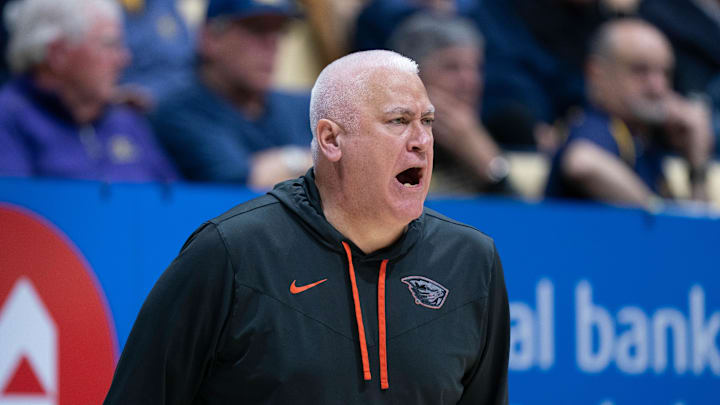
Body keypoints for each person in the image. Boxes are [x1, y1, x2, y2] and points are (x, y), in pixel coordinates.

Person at [104, 50, 510, 404]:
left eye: (428, 120)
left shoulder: (472, 261)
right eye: (398, 120)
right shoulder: (230, 254)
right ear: (331, 140)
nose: (421, 140)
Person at [0, 0, 178, 182]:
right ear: (57, 54)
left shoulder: (126, 121)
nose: (124, 59)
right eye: (110, 44)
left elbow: (179, 203)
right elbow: (13, 206)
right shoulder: (9, 121)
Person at [545, 18, 714, 207]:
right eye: (640, 70)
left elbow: (692, 235)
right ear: (596, 74)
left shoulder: (643, 142)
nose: (657, 88)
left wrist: (697, 163)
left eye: (665, 73)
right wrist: (657, 212)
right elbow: (581, 163)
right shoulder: (597, 124)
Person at [151, 0, 313, 188]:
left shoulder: (304, 106)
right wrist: (310, 160)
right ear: (210, 38)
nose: (272, 44)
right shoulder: (180, 112)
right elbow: (242, 181)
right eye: (257, 29)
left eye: (279, 30)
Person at [389, 13, 511, 195]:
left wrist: (488, 164)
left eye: (475, 68)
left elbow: (522, 220)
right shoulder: (386, 138)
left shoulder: (505, 127)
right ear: (412, 78)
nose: (470, 82)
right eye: (451, 67)